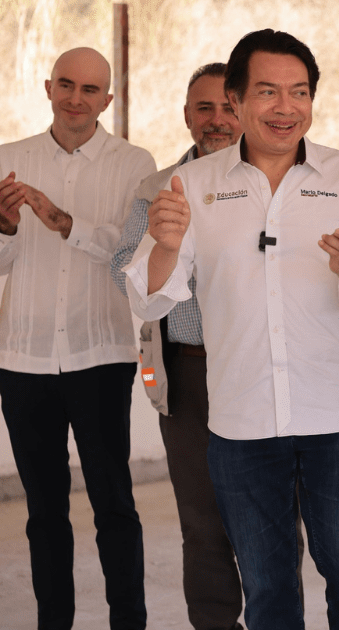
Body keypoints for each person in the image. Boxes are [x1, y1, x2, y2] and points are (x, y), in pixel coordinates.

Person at [124, 29, 339, 628]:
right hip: (240, 422)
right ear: (236, 99)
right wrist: (166, 247)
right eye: (268, 91)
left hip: (335, 420)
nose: (286, 108)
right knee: (267, 584)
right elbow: (148, 299)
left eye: (299, 92)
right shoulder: (193, 185)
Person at [111, 62, 271, 630]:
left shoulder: (273, 184)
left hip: (259, 368)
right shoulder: (155, 189)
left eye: (228, 107)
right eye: (205, 108)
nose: (217, 119)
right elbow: (123, 270)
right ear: (186, 115)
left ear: (245, 111)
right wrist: (164, 244)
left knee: (272, 516)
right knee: (201, 520)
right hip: (188, 374)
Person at [0, 47, 156, 629]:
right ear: (48, 87)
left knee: (115, 505)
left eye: (90, 89)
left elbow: (132, 253)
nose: (76, 98)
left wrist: (67, 224)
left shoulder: (136, 163)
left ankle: (128, 622)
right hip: (23, 359)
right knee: (43, 513)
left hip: (102, 356)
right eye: (66, 84)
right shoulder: (8, 159)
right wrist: (5, 227)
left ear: (107, 99)